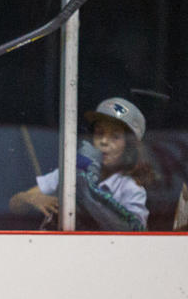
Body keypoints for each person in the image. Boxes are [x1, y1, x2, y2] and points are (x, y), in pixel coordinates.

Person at [9, 97, 153, 231]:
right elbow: (15, 203)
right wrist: (31, 198)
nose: (104, 141)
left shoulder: (130, 188)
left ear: (129, 147)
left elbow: (137, 236)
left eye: (115, 137)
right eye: (99, 133)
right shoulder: (73, 172)